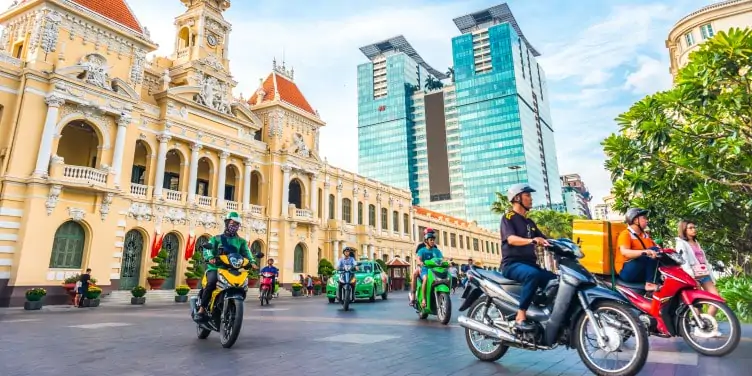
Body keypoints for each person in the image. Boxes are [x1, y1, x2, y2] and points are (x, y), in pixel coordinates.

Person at [500, 183, 557, 332]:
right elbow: (511, 239)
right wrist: (531, 240)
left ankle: (542, 311)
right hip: (512, 264)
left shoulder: (530, 222)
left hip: (530, 264)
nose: (531, 199)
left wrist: (563, 245)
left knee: (555, 280)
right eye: (528, 195)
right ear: (517, 198)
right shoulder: (508, 217)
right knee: (532, 275)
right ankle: (520, 316)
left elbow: (545, 240)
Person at [195, 211, 256, 322]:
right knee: (211, 282)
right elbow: (208, 249)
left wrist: (252, 262)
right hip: (216, 268)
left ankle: (233, 308)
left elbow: (247, 252)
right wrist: (210, 258)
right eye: (233, 223)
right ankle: (202, 309)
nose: (235, 226)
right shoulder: (216, 239)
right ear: (227, 223)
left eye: (237, 224)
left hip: (232, 270)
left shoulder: (241, 241)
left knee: (241, 285)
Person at [675, 220, 720, 319]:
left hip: (704, 274)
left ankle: (707, 323)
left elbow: (704, 261)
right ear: (684, 230)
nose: (694, 229)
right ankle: (699, 326)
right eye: (690, 228)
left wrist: (711, 277)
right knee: (698, 303)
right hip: (693, 275)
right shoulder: (681, 243)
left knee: (716, 298)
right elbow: (684, 261)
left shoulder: (696, 242)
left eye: (694, 227)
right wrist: (692, 277)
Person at [617, 208, 660, 293]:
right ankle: (650, 284)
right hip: (626, 271)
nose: (647, 220)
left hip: (640, 269)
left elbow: (656, 249)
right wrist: (644, 252)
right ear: (636, 220)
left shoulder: (645, 235)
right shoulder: (625, 234)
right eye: (644, 218)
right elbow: (625, 252)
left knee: (658, 252)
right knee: (653, 250)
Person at [416, 231, 444, 308]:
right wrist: (420, 262)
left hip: (435, 270)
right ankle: (424, 299)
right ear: (426, 241)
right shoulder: (422, 250)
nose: (432, 241)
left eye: (433, 240)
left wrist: (448, 263)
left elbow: (442, 259)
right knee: (426, 279)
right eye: (430, 240)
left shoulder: (437, 251)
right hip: (425, 269)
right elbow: (418, 258)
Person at [408, 228, 435, 306]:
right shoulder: (420, 246)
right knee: (414, 273)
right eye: (430, 233)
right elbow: (417, 257)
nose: (432, 236)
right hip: (422, 267)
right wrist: (420, 263)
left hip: (433, 268)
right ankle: (413, 296)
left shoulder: (434, 246)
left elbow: (438, 258)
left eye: (432, 234)